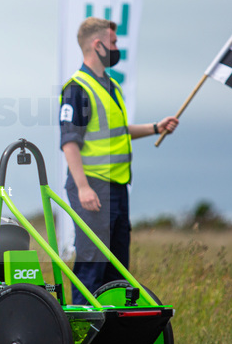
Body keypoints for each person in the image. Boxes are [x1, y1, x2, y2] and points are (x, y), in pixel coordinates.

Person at [60, 17, 178, 304]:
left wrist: (155, 127)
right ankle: (80, 336)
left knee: (117, 269)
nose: (116, 48)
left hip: (117, 187)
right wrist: (83, 187)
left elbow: (118, 132)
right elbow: (69, 142)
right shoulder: (78, 88)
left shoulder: (112, 86)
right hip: (93, 188)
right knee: (92, 263)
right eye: (113, 43)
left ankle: (111, 337)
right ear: (97, 45)